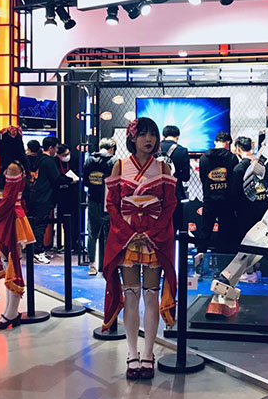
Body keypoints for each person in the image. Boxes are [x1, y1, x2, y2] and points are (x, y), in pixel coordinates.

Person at [102, 117, 177, 380]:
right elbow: (111, 205)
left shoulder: (164, 167)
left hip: (154, 240)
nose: (149, 139)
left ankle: (148, 354)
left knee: (151, 297)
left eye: (152, 134)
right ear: (132, 137)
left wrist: (151, 234)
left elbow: (169, 205)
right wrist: (131, 234)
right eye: (143, 134)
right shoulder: (119, 166)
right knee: (131, 296)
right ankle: (132, 354)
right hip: (128, 239)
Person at [0, 127, 36, 329]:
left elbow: (7, 201)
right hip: (5, 216)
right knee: (9, 264)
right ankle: (10, 312)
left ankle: (11, 313)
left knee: (12, 264)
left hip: (9, 218)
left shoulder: (14, 167)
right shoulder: (11, 166)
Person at [195, 131, 238, 272]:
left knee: (205, 231)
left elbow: (203, 178)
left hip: (209, 199)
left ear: (215, 142)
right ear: (228, 143)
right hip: (226, 200)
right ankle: (221, 268)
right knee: (224, 234)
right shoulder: (232, 158)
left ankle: (199, 264)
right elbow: (233, 180)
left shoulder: (204, 158)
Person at [230, 136, 268, 283]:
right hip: (262, 208)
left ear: (238, 148)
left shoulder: (239, 169)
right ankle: (257, 269)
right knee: (261, 238)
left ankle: (248, 272)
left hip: (245, 210)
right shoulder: (262, 165)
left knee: (247, 240)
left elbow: (235, 194)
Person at [82, 138, 117, 275]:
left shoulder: (89, 160)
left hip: (93, 199)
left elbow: (85, 181)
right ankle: (108, 264)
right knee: (110, 234)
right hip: (109, 201)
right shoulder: (114, 161)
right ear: (112, 148)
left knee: (92, 234)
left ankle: (92, 264)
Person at [28, 136, 60, 264]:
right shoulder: (49, 161)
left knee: (36, 224)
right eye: (56, 148)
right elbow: (56, 178)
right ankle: (38, 252)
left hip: (35, 195)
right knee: (40, 225)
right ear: (51, 148)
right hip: (44, 197)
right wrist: (70, 179)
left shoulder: (39, 159)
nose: (56, 151)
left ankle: (36, 250)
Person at [159, 125, 191, 232]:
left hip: (155, 192)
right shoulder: (182, 151)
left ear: (163, 136)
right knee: (174, 225)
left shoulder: (153, 149)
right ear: (177, 136)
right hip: (174, 192)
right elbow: (186, 177)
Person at [55, 143, 80, 251]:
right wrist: (67, 180)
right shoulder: (55, 162)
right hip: (61, 196)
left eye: (68, 153)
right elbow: (56, 178)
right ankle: (67, 244)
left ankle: (75, 243)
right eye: (64, 155)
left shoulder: (74, 159)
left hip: (74, 194)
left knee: (75, 220)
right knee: (64, 220)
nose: (67, 156)